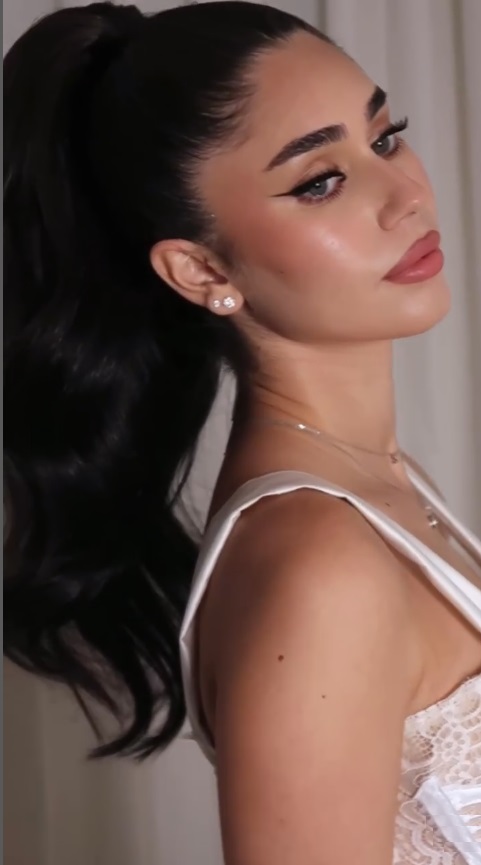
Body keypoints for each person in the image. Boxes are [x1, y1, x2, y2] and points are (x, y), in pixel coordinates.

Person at [4, 2, 481, 862]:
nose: (406, 195)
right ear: (202, 268)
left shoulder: (381, 486)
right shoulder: (319, 567)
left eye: (384, 138)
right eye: (319, 181)